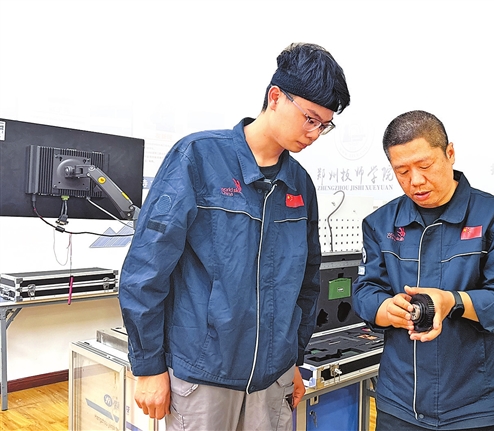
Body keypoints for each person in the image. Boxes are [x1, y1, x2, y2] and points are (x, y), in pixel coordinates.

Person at [118, 42, 350, 431]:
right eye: (310, 119)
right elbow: (146, 270)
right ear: (275, 97)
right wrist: (148, 365)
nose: (314, 133)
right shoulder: (197, 158)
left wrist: (294, 359)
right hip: (203, 376)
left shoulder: (300, 184)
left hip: (273, 379)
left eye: (324, 125)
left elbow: (307, 283)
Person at [352, 110, 494, 430]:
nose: (415, 181)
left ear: (450, 153)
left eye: (424, 166)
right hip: (400, 402)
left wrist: (452, 301)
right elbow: (365, 290)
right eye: (402, 171)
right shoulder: (381, 223)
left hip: (473, 407)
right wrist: (385, 309)